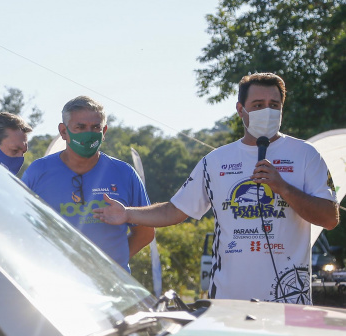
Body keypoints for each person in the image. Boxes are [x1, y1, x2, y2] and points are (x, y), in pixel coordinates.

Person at [94, 73, 339, 303]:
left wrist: (283, 187)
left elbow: (329, 218)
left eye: (274, 105)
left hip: (289, 299)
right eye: (258, 105)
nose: (267, 111)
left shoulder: (306, 155)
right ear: (240, 109)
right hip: (229, 300)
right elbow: (174, 211)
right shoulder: (216, 160)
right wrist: (127, 213)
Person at [22, 96, 154, 272]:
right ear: (63, 131)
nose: (88, 133)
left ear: (104, 131)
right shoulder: (38, 171)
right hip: (54, 282)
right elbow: (22, 227)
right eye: (80, 127)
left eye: (95, 127)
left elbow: (145, 233)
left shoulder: (124, 173)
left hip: (111, 287)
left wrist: (111, 265)